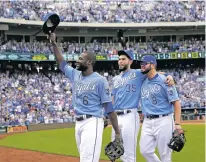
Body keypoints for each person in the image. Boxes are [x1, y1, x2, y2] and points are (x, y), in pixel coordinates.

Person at [48, 32, 121, 162]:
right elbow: (61, 62)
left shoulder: (100, 80)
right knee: (84, 158)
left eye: (81, 58)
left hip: (92, 122)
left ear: (89, 62)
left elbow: (109, 108)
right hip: (78, 123)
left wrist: (117, 133)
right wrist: (54, 43)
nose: (77, 60)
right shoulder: (76, 74)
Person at [110, 50, 174, 162]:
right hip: (116, 116)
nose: (120, 61)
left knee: (130, 153)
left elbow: (156, 72)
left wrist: (170, 76)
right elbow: (112, 99)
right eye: (119, 59)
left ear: (130, 61)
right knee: (118, 150)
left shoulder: (138, 73)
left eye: (123, 59)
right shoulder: (115, 79)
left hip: (130, 115)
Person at [139, 55, 182, 162]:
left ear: (152, 65)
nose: (142, 66)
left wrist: (177, 123)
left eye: (144, 63)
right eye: (141, 64)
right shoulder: (142, 79)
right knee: (145, 150)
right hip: (147, 121)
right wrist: (168, 74)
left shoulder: (165, 81)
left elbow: (176, 102)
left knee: (165, 154)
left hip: (164, 120)